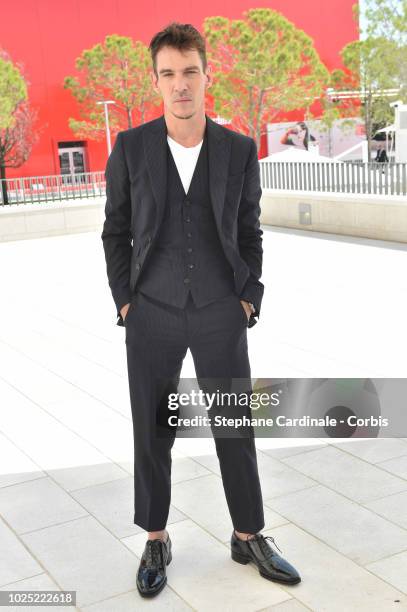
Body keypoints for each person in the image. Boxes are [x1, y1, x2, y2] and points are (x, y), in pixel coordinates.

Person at [101, 21, 301, 598]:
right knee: (153, 428)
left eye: (190, 72)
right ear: (156, 81)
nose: (180, 85)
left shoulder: (237, 150)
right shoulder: (131, 147)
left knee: (235, 425)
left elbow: (249, 229)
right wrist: (125, 302)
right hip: (152, 311)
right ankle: (156, 538)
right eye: (168, 74)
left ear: (206, 75)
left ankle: (248, 533)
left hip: (219, 308)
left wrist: (248, 297)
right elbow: (115, 232)